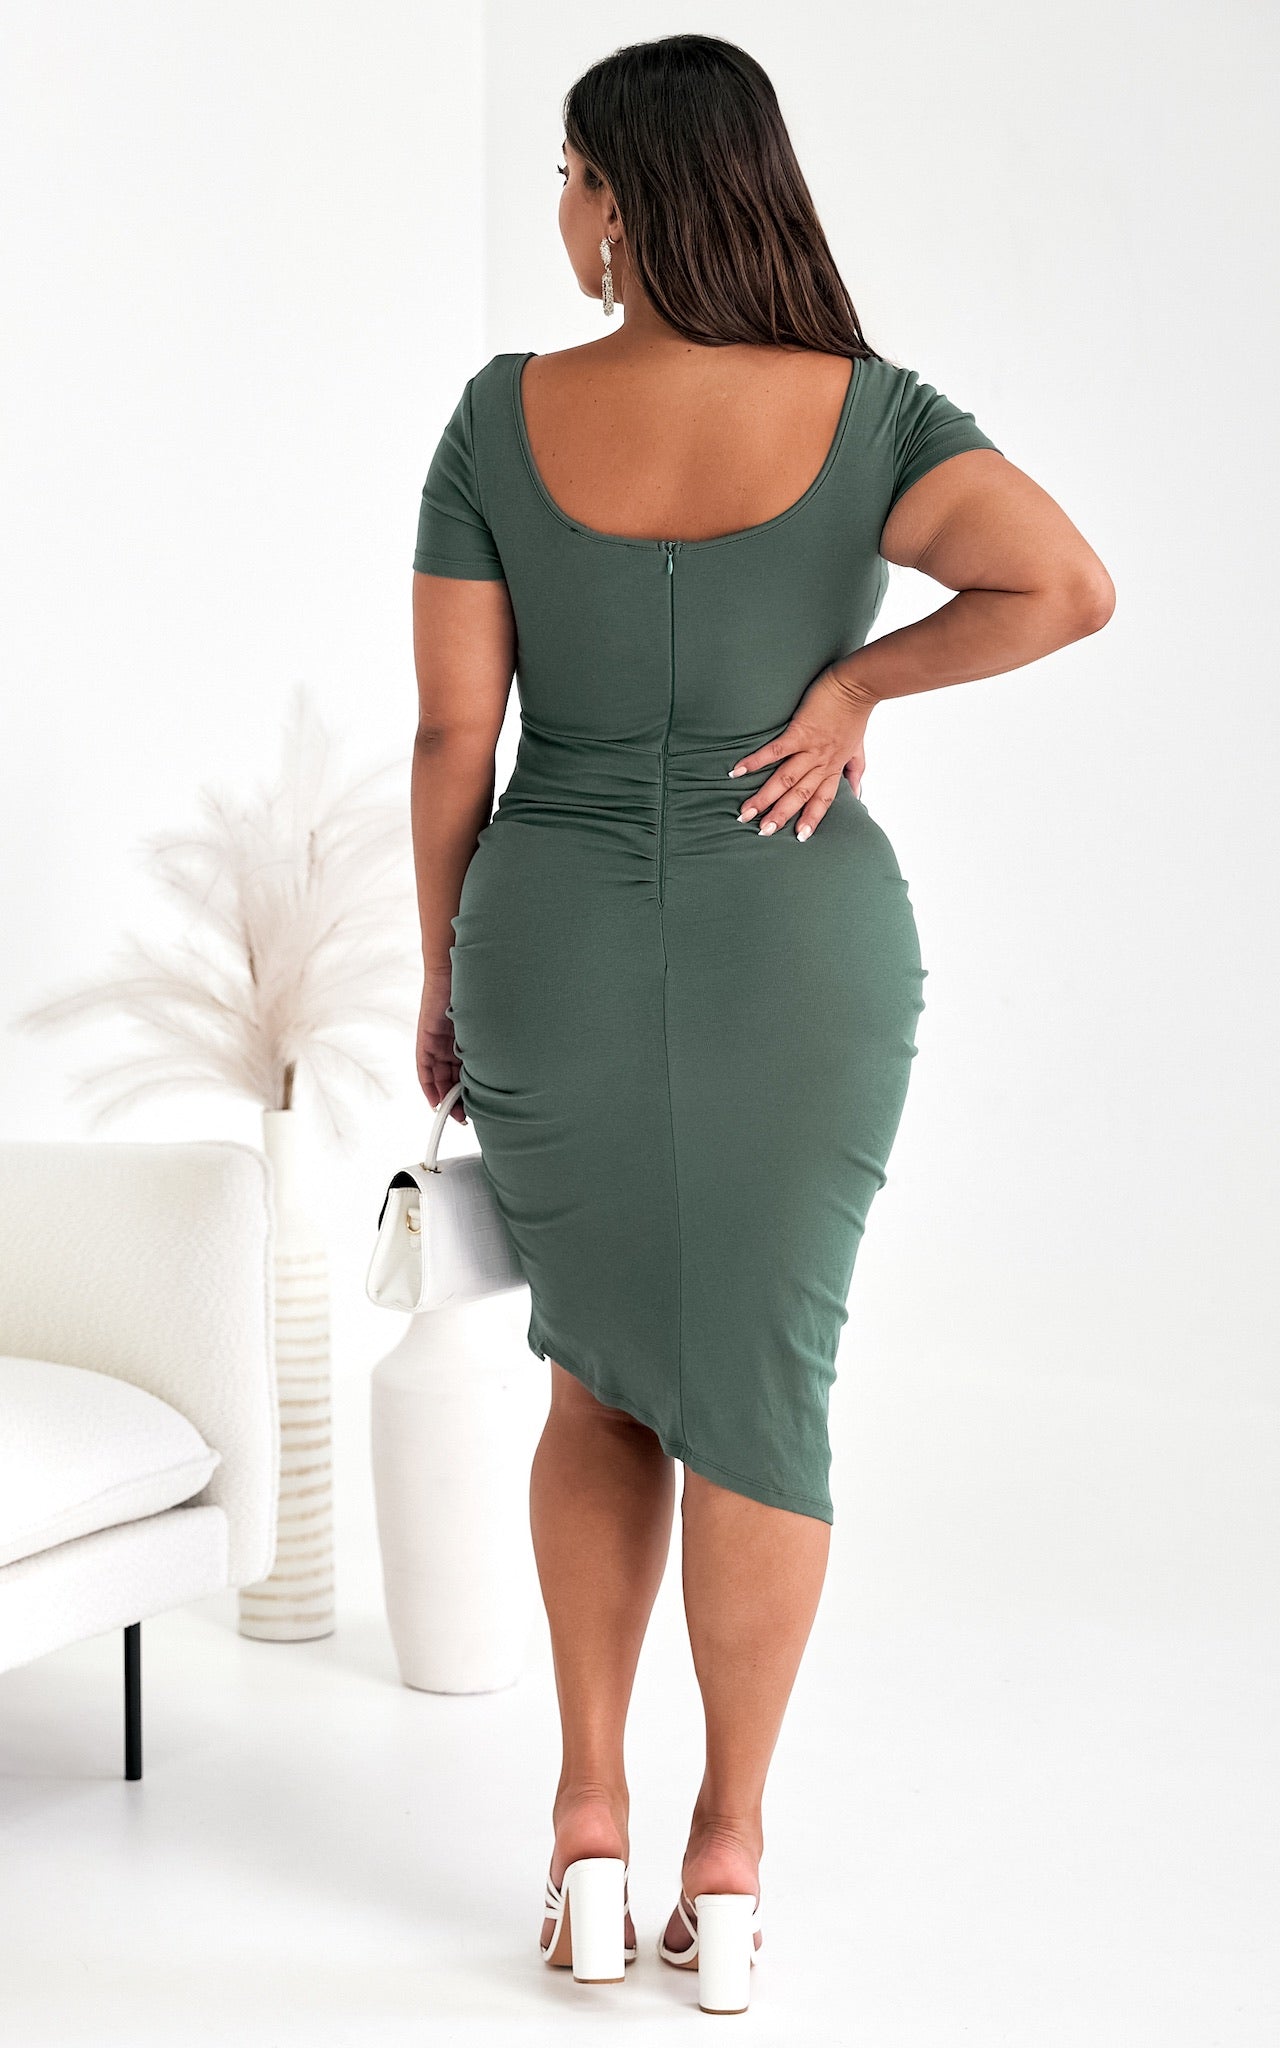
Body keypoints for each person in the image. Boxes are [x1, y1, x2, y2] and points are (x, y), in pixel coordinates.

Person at [408, 33, 1114, 2017]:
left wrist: (441, 973)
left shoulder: (497, 418)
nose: (561, 212)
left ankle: (588, 1826)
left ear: (627, 197)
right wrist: (856, 688)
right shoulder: (870, 412)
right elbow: (1063, 584)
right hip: (798, 937)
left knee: (597, 1380)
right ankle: (727, 1857)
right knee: (765, 1388)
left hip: (545, 929)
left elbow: (454, 736)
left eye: (570, 175)